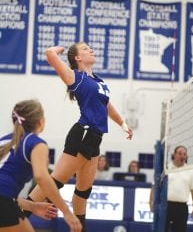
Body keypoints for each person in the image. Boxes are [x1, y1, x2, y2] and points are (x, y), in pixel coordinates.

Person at [28, 42, 133, 232]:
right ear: (77, 58)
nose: (90, 50)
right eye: (85, 48)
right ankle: (18, 213)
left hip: (95, 138)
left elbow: (107, 106)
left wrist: (123, 124)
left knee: (83, 192)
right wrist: (61, 48)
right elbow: (50, 54)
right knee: (56, 181)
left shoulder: (99, 81)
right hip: (83, 134)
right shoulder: (76, 77)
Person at [0, 99, 81, 232]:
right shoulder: (36, 143)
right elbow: (41, 177)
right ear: (40, 122)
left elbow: (5, 193)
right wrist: (67, 212)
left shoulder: (3, 140)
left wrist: (32, 206)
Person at [149, 145, 193, 232]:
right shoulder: (166, 168)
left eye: (184, 154)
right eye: (180, 153)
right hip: (165, 205)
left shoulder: (190, 171)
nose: (182, 156)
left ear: (186, 157)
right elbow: (155, 186)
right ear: (174, 155)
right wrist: (151, 202)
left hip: (181, 208)